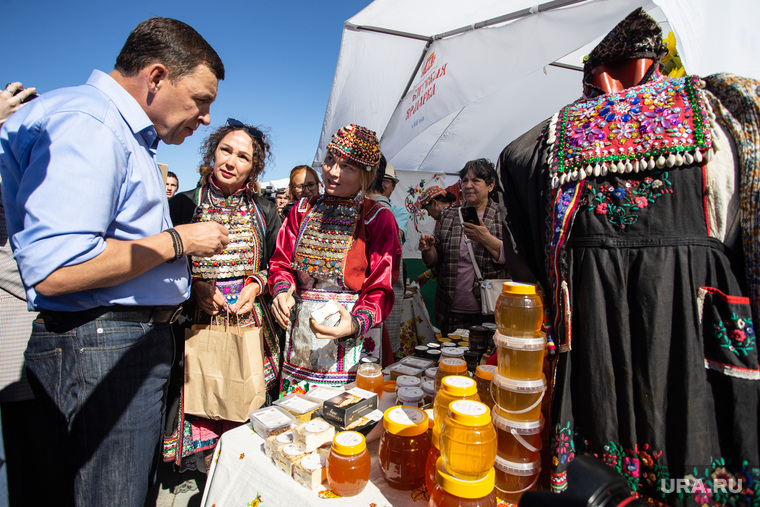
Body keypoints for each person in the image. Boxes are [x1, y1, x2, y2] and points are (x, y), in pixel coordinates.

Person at [497, 9, 760, 505]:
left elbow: (527, 283)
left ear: (592, 69)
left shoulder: (532, 149)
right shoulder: (729, 112)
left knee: (595, 484)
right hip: (700, 361)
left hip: (593, 365)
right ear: (653, 57)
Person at [0, 17, 227, 507]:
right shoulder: (93, 123)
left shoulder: (117, 131)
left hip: (113, 342)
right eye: (202, 100)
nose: (206, 117)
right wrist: (179, 241)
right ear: (158, 77)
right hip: (101, 342)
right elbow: (58, 270)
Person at [162, 118, 281, 472]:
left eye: (242, 157)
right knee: (204, 400)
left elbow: (277, 264)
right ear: (212, 153)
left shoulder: (266, 210)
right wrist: (195, 285)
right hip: (196, 323)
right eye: (225, 151)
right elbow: (163, 262)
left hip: (250, 324)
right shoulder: (184, 204)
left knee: (249, 409)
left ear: (253, 167)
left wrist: (256, 284)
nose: (230, 162)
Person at [268, 124, 401, 395]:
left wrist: (355, 322)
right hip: (303, 337)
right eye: (330, 160)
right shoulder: (302, 210)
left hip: (355, 335)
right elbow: (281, 262)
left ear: (366, 174)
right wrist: (283, 291)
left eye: (347, 167)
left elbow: (380, 285)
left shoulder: (377, 218)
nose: (333, 172)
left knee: (351, 422)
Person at [419, 159, 508, 336]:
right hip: (451, 311)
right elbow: (437, 259)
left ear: (491, 186)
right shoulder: (450, 215)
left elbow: (515, 258)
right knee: (451, 361)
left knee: (485, 361)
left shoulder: (504, 215)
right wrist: (429, 249)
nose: (468, 186)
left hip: (490, 312)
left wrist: (486, 238)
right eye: (465, 180)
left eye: (475, 181)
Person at [365, 156, 404, 356]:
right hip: (375, 308)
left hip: (376, 310)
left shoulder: (379, 214)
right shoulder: (372, 210)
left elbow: (382, 272)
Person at [412, 186, 456, 287]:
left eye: (427, 210)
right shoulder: (445, 220)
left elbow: (451, 260)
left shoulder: (450, 219)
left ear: (435, 203)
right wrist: (427, 274)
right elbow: (445, 259)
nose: (427, 214)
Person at [381, 163, 409, 244]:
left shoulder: (400, 212)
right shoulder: (364, 206)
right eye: (378, 180)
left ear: (393, 187)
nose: (381, 184)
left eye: (385, 180)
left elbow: (396, 237)